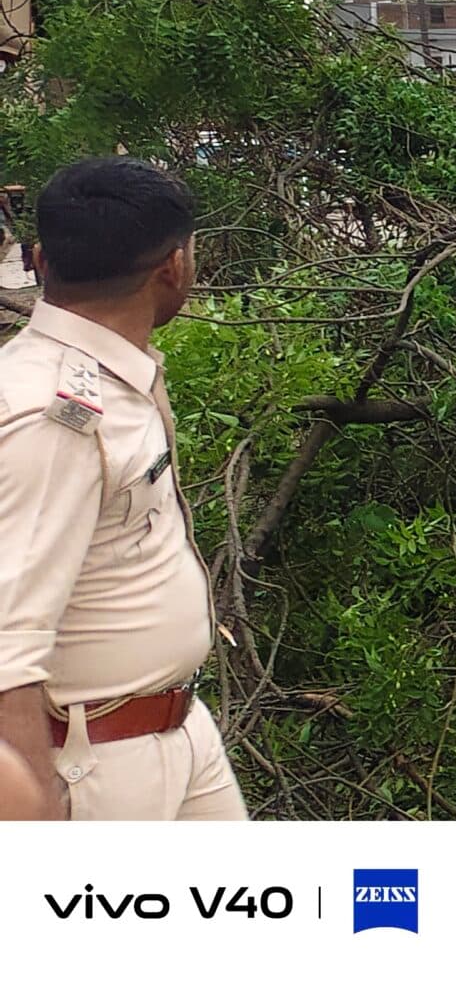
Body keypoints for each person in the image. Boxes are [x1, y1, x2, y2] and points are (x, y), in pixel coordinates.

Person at [0, 158, 245, 821]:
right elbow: (5, 648)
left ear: (42, 259)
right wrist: (36, 819)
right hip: (91, 769)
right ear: (174, 267)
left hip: (174, 730)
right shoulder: (54, 418)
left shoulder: (105, 374)